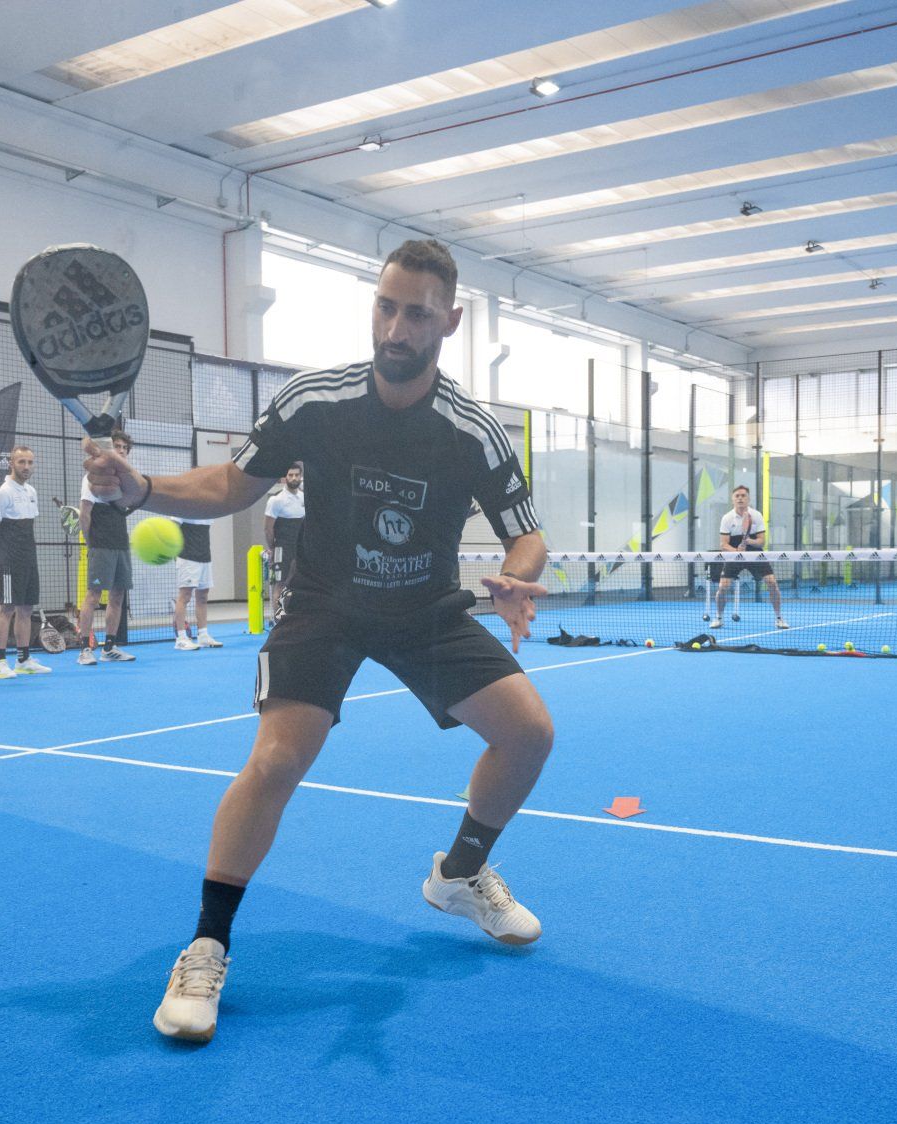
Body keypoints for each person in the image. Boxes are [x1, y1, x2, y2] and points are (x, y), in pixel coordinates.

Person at [84, 239, 551, 1045]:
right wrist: (144, 487)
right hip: (327, 604)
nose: (397, 329)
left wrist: (515, 575)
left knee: (530, 733)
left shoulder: (472, 429)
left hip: (425, 610)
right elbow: (234, 484)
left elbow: (527, 533)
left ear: (452, 320)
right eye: (387, 307)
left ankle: (461, 873)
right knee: (274, 761)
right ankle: (205, 944)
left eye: (417, 314)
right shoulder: (316, 400)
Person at [0, 444, 50, 678]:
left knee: (26, 608)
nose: (26, 466)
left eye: (30, 462)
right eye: (21, 462)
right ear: (11, 463)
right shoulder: (1, 493)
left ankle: (23, 660)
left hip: (29, 558)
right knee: (7, 608)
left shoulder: (31, 492)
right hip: (9, 560)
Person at [76, 428, 139, 665]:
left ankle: (109, 648)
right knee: (93, 596)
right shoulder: (92, 477)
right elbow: (85, 513)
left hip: (121, 542)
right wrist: (91, 542)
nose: (121, 450)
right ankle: (84, 649)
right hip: (100, 543)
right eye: (117, 446)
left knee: (118, 594)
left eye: (124, 448)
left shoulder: (127, 478)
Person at [707, 485, 787, 630]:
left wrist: (748, 541)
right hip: (734, 553)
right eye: (737, 496)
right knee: (722, 587)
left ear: (748, 499)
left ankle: (779, 618)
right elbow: (723, 545)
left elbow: (762, 541)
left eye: (743, 496)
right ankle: (718, 618)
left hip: (754, 552)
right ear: (733, 499)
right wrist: (736, 551)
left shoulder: (756, 515)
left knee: (772, 583)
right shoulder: (727, 518)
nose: (740, 498)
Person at [263, 463, 306, 625]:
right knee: (280, 585)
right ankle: (279, 621)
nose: (294, 478)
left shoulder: (304, 498)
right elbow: (268, 528)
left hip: (300, 549)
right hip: (282, 548)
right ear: (284, 477)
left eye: (296, 475)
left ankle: (295, 618)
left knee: (299, 584)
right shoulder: (276, 500)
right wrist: (273, 548)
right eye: (290, 475)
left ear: (300, 476)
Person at [171, 518, 222, 650]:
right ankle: (181, 638)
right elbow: (172, 529)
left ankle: (203, 635)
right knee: (185, 596)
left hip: (205, 556)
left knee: (203, 596)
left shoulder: (207, 509)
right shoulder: (182, 506)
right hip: (187, 557)